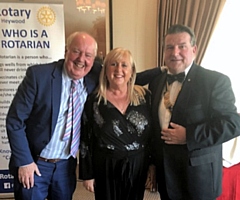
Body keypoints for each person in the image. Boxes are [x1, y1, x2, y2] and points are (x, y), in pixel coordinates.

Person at [147, 24, 240, 200]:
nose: (175, 53)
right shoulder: (156, 82)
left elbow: (233, 123)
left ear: (194, 49)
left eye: (182, 46)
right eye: (169, 47)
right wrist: (152, 162)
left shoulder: (215, 81)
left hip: (199, 178)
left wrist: (189, 135)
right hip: (166, 175)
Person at [6, 32, 102, 200]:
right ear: (66, 51)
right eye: (76, 51)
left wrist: (162, 70)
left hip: (66, 167)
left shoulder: (94, 78)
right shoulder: (39, 76)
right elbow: (15, 121)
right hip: (35, 163)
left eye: (88, 55)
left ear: (93, 60)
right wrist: (25, 162)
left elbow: (125, 74)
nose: (81, 59)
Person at [79, 47, 152, 200]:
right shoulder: (94, 100)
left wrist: (153, 166)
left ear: (132, 71)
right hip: (105, 165)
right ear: (105, 70)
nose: (119, 69)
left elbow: (152, 136)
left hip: (137, 165)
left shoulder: (145, 97)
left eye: (124, 65)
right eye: (113, 64)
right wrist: (88, 174)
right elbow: (86, 139)